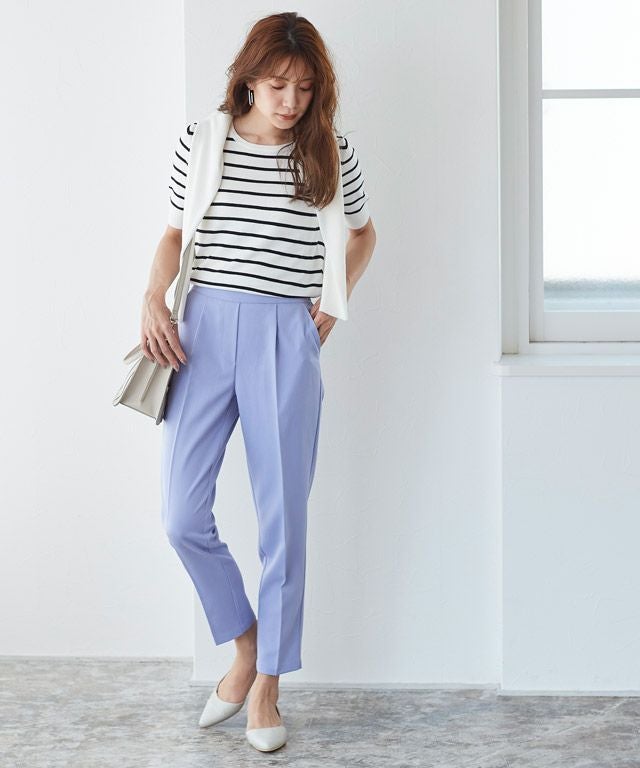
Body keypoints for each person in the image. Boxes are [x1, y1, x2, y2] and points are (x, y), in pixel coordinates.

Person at [141, 11, 376, 752]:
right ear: (248, 78)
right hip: (202, 331)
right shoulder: (203, 140)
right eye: (278, 85)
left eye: (305, 88)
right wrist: (152, 297)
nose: (291, 101)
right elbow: (175, 233)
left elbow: (363, 234)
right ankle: (244, 645)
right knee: (182, 515)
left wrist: (334, 299)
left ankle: (268, 685)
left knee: (284, 522)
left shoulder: (329, 151)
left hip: (284, 335)